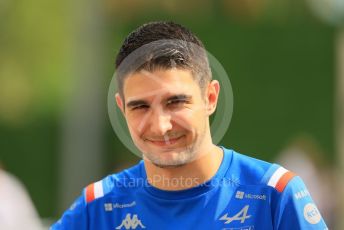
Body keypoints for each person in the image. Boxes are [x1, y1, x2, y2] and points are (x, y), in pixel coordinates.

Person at [51, 21, 328, 229]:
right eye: (141, 107)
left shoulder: (274, 196)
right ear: (122, 109)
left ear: (210, 97)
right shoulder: (98, 207)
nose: (160, 126)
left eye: (175, 102)